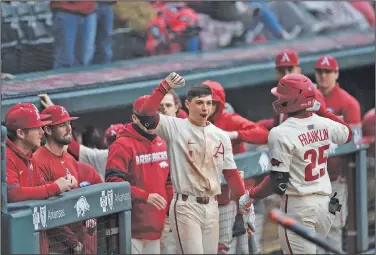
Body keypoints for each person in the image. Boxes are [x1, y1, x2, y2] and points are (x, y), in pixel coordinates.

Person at [137, 72, 254, 254]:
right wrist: (164, 86)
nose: (205, 108)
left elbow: (230, 173)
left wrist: (245, 205)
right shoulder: (174, 126)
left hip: (212, 205)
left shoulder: (221, 135)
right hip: (186, 204)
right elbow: (145, 114)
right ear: (187, 104)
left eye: (208, 103)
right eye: (199, 103)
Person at [239, 73, 353, 254]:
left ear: (292, 101)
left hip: (299, 209)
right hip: (325, 206)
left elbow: (278, 182)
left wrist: (251, 195)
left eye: (281, 97)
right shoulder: (324, 122)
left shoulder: (280, 132)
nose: (278, 99)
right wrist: (322, 110)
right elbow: (348, 133)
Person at [203, 80, 269, 254]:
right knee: (224, 247)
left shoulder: (229, 119)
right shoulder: (196, 123)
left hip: (242, 195)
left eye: (212, 102)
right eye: (204, 102)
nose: (207, 107)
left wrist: (235, 134)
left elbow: (263, 134)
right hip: (219, 198)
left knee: (249, 247)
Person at [105, 95, 170, 254]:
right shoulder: (122, 144)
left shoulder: (162, 143)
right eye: (146, 118)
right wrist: (144, 196)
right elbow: (113, 182)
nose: (150, 123)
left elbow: (168, 181)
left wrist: (170, 209)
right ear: (135, 118)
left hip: (157, 227)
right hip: (131, 229)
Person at [4, 103, 73, 254]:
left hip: (30, 233)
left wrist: (62, 183)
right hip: (10, 238)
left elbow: (40, 185)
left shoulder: (29, 156)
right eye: (36, 128)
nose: (42, 132)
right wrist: (54, 187)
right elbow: (12, 194)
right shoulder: (6, 157)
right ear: (21, 133)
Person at [314, 55, 361, 253]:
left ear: (336, 73)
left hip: (336, 179)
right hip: (312, 178)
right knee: (312, 227)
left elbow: (355, 140)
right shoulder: (310, 98)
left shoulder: (348, 103)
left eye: (328, 72)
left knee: (332, 224)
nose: (323, 76)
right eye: (320, 72)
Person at [33, 105, 84, 254]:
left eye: (69, 123)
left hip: (76, 243)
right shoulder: (37, 161)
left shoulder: (70, 159)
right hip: (53, 247)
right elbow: (45, 209)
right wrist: (73, 242)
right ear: (48, 130)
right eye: (62, 125)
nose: (69, 128)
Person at [257, 50, 326, 130]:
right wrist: (258, 125)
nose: (286, 74)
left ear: (299, 71)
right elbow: (277, 124)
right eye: (281, 71)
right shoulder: (281, 98)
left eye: (290, 69)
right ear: (276, 74)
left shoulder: (313, 94)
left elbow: (322, 128)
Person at [157, 91, 185, 254]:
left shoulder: (189, 131)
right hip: (165, 212)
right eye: (160, 107)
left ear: (176, 108)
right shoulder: (150, 137)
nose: (164, 109)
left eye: (168, 105)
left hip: (190, 207)